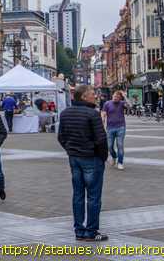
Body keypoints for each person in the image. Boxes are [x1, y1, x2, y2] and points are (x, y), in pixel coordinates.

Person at [58, 84, 109, 242]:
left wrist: (70, 150)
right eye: (93, 93)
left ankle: (79, 230)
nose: (95, 96)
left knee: (78, 195)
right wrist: (102, 157)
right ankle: (91, 231)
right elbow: (101, 139)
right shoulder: (93, 114)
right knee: (93, 196)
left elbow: (61, 136)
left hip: (74, 158)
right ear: (84, 97)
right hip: (91, 158)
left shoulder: (65, 113)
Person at [101, 91, 128, 170]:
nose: (115, 98)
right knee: (109, 146)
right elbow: (103, 113)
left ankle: (120, 162)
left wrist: (125, 96)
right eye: (114, 96)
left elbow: (130, 105)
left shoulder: (122, 103)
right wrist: (102, 120)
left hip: (121, 127)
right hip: (110, 128)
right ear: (112, 96)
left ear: (120, 98)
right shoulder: (107, 103)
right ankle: (114, 156)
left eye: (117, 97)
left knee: (120, 145)